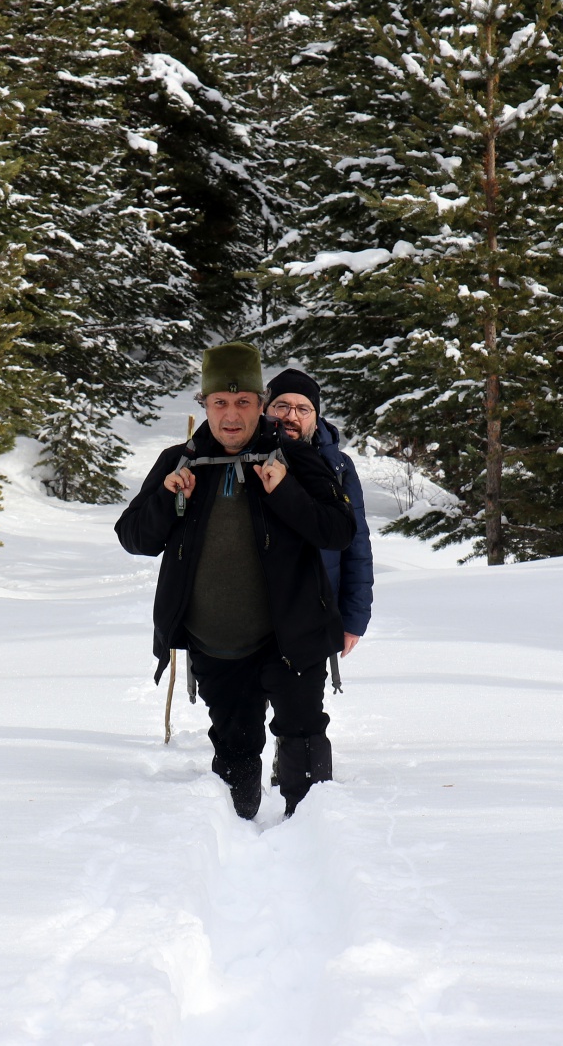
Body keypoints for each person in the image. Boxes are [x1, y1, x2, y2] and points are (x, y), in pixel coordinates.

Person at [115, 343, 356, 819]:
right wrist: (166, 498)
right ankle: (234, 833)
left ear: (260, 405)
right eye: (219, 403)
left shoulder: (294, 458)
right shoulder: (178, 462)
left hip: (292, 636)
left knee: (303, 736)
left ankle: (312, 835)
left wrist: (285, 491)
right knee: (234, 745)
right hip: (216, 642)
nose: (231, 415)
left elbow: (339, 530)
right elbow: (134, 538)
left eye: (243, 402)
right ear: (203, 405)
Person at [264, 368, 373, 658]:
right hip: (252, 615)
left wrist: (353, 619)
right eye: (282, 406)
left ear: (316, 416)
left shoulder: (337, 466)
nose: (292, 416)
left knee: (303, 703)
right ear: (266, 410)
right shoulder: (244, 457)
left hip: (315, 614)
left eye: (303, 408)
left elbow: (357, 545)